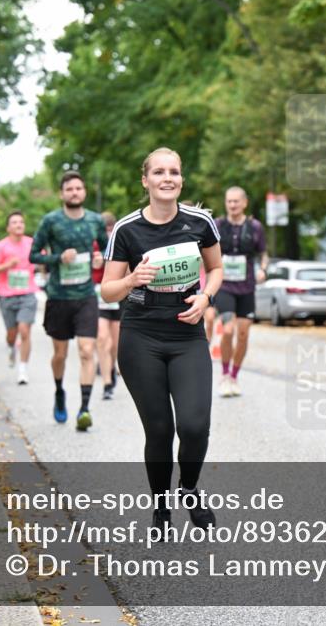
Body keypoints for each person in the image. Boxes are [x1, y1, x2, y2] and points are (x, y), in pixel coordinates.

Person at [101, 147, 223, 534]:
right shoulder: (127, 229)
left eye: (174, 171)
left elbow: (216, 268)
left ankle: (188, 489)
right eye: (158, 172)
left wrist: (205, 298)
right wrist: (131, 280)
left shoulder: (200, 222)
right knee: (159, 431)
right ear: (146, 180)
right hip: (141, 336)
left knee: (194, 425)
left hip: (187, 335)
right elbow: (107, 291)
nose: (167, 177)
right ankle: (161, 507)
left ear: (181, 179)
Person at [30, 171, 109, 431]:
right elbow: (34, 256)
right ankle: (59, 391)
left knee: (87, 350)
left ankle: (84, 409)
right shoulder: (51, 221)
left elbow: (109, 251)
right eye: (69, 189)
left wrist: (100, 260)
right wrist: (58, 258)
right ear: (62, 194)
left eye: (78, 188)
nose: (74, 192)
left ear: (84, 192)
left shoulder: (96, 221)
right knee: (60, 354)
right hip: (59, 298)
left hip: (86, 296)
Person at [208, 186, 268, 397]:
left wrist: (263, 269)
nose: (232, 205)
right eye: (229, 201)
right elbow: (207, 251)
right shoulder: (217, 225)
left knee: (242, 334)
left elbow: (263, 254)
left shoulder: (255, 227)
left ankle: (234, 376)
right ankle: (224, 375)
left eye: (236, 201)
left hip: (247, 287)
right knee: (228, 330)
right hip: (224, 286)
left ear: (244, 203)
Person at [0, 211, 39, 385]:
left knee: (24, 330)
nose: (19, 225)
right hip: (7, 295)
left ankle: (23, 369)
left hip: (28, 293)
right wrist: (7, 265)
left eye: (21, 222)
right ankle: (11, 347)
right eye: (15, 222)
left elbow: (42, 257)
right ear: (8, 227)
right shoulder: (1, 246)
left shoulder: (32, 243)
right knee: (12, 334)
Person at [93, 211, 120, 400]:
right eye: (105, 230)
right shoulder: (92, 244)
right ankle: (106, 383)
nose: (108, 234)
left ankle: (111, 367)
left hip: (119, 297)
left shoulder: (122, 240)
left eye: (111, 229)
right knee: (103, 339)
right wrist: (93, 263)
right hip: (98, 296)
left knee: (115, 344)